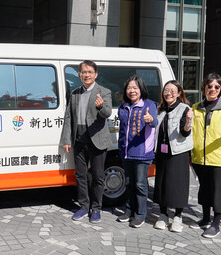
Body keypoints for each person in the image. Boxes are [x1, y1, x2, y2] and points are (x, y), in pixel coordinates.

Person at [60, 60, 112, 223]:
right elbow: (69, 117)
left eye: (90, 72)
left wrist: (100, 106)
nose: (86, 75)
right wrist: (67, 139)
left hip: (97, 139)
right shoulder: (75, 93)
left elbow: (107, 113)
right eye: (83, 72)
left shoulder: (104, 92)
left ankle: (96, 208)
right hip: (79, 139)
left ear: (95, 74)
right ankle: (83, 206)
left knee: (97, 176)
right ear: (79, 75)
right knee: (80, 175)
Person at [189, 73, 221, 238]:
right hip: (199, 158)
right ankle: (205, 218)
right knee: (204, 190)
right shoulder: (195, 107)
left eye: (216, 87)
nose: (212, 89)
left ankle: (216, 224)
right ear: (204, 88)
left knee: (218, 191)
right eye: (209, 86)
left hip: (219, 158)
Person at [117, 75, 158, 228]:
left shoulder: (149, 105)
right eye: (129, 88)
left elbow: (154, 122)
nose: (132, 91)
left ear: (141, 89)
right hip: (126, 151)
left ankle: (140, 215)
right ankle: (129, 211)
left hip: (142, 152)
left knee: (140, 184)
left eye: (135, 88)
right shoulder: (123, 106)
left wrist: (150, 120)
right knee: (128, 183)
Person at [153, 80, 193, 233]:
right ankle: (163, 215)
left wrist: (188, 122)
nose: (168, 93)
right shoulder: (161, 109)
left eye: (172, 90)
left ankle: (178, 216)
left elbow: (184, 133)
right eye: (166, 90)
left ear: (179, 93)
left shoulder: (184, 109)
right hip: (162, 152)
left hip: (178, 152)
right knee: (162, 183)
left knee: (178, 185)